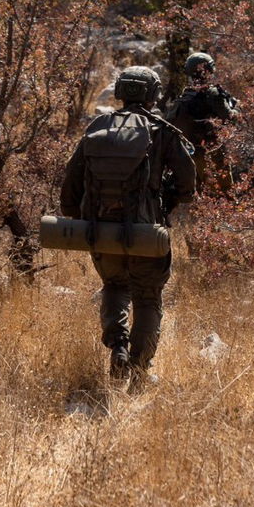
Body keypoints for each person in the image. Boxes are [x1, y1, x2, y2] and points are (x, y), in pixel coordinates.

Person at [60, 65, 197, 390]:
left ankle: (118, 347)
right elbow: (187, 181)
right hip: (146, 233)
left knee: (114, 288)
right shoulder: (161, 130)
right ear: (152, 95)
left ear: (121, 91)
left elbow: (70, 186)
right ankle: (138, 372)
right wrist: (170, 203)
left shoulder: (99, 126)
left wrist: (83, 220)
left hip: (100, 232)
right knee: (147, 299)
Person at [167, 52, 239, 195]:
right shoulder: (213, 94)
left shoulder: (185, 95)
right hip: (213, 152)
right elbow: (230, 117)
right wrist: (237, 109)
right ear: (210, 70)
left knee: (201, 194)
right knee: (224, 194)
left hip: (191, 154)